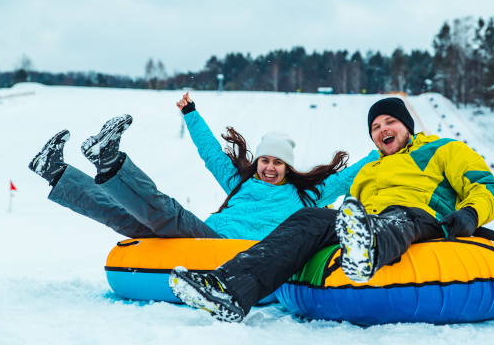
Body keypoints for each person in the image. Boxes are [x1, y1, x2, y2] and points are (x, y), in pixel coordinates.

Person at [170, 97, 494, 322]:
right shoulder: (370, 170)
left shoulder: (443, 149)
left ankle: (368, 250)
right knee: (308, 218)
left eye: (390, 122)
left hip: (420, 216)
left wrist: (470, 215)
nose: (383, 130)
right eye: (375, 127)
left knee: (399, 216)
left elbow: (487, 187)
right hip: (368, 219)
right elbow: (348, 211)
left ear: (407, 125)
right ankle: (228, 289)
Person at [28, 93, 378, 241]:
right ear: (258, 162)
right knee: (124, 215)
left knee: (168, 212)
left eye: (277, 163)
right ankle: (55, 171)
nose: (270, 167)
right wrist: (191, 114)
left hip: (224, 248)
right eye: (265, 160)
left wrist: (384, 150)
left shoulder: (305, 196)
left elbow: (351, 175)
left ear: (288, 167)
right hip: (203, 237)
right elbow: (211, 153)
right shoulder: (240, 184)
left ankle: (109, 160)